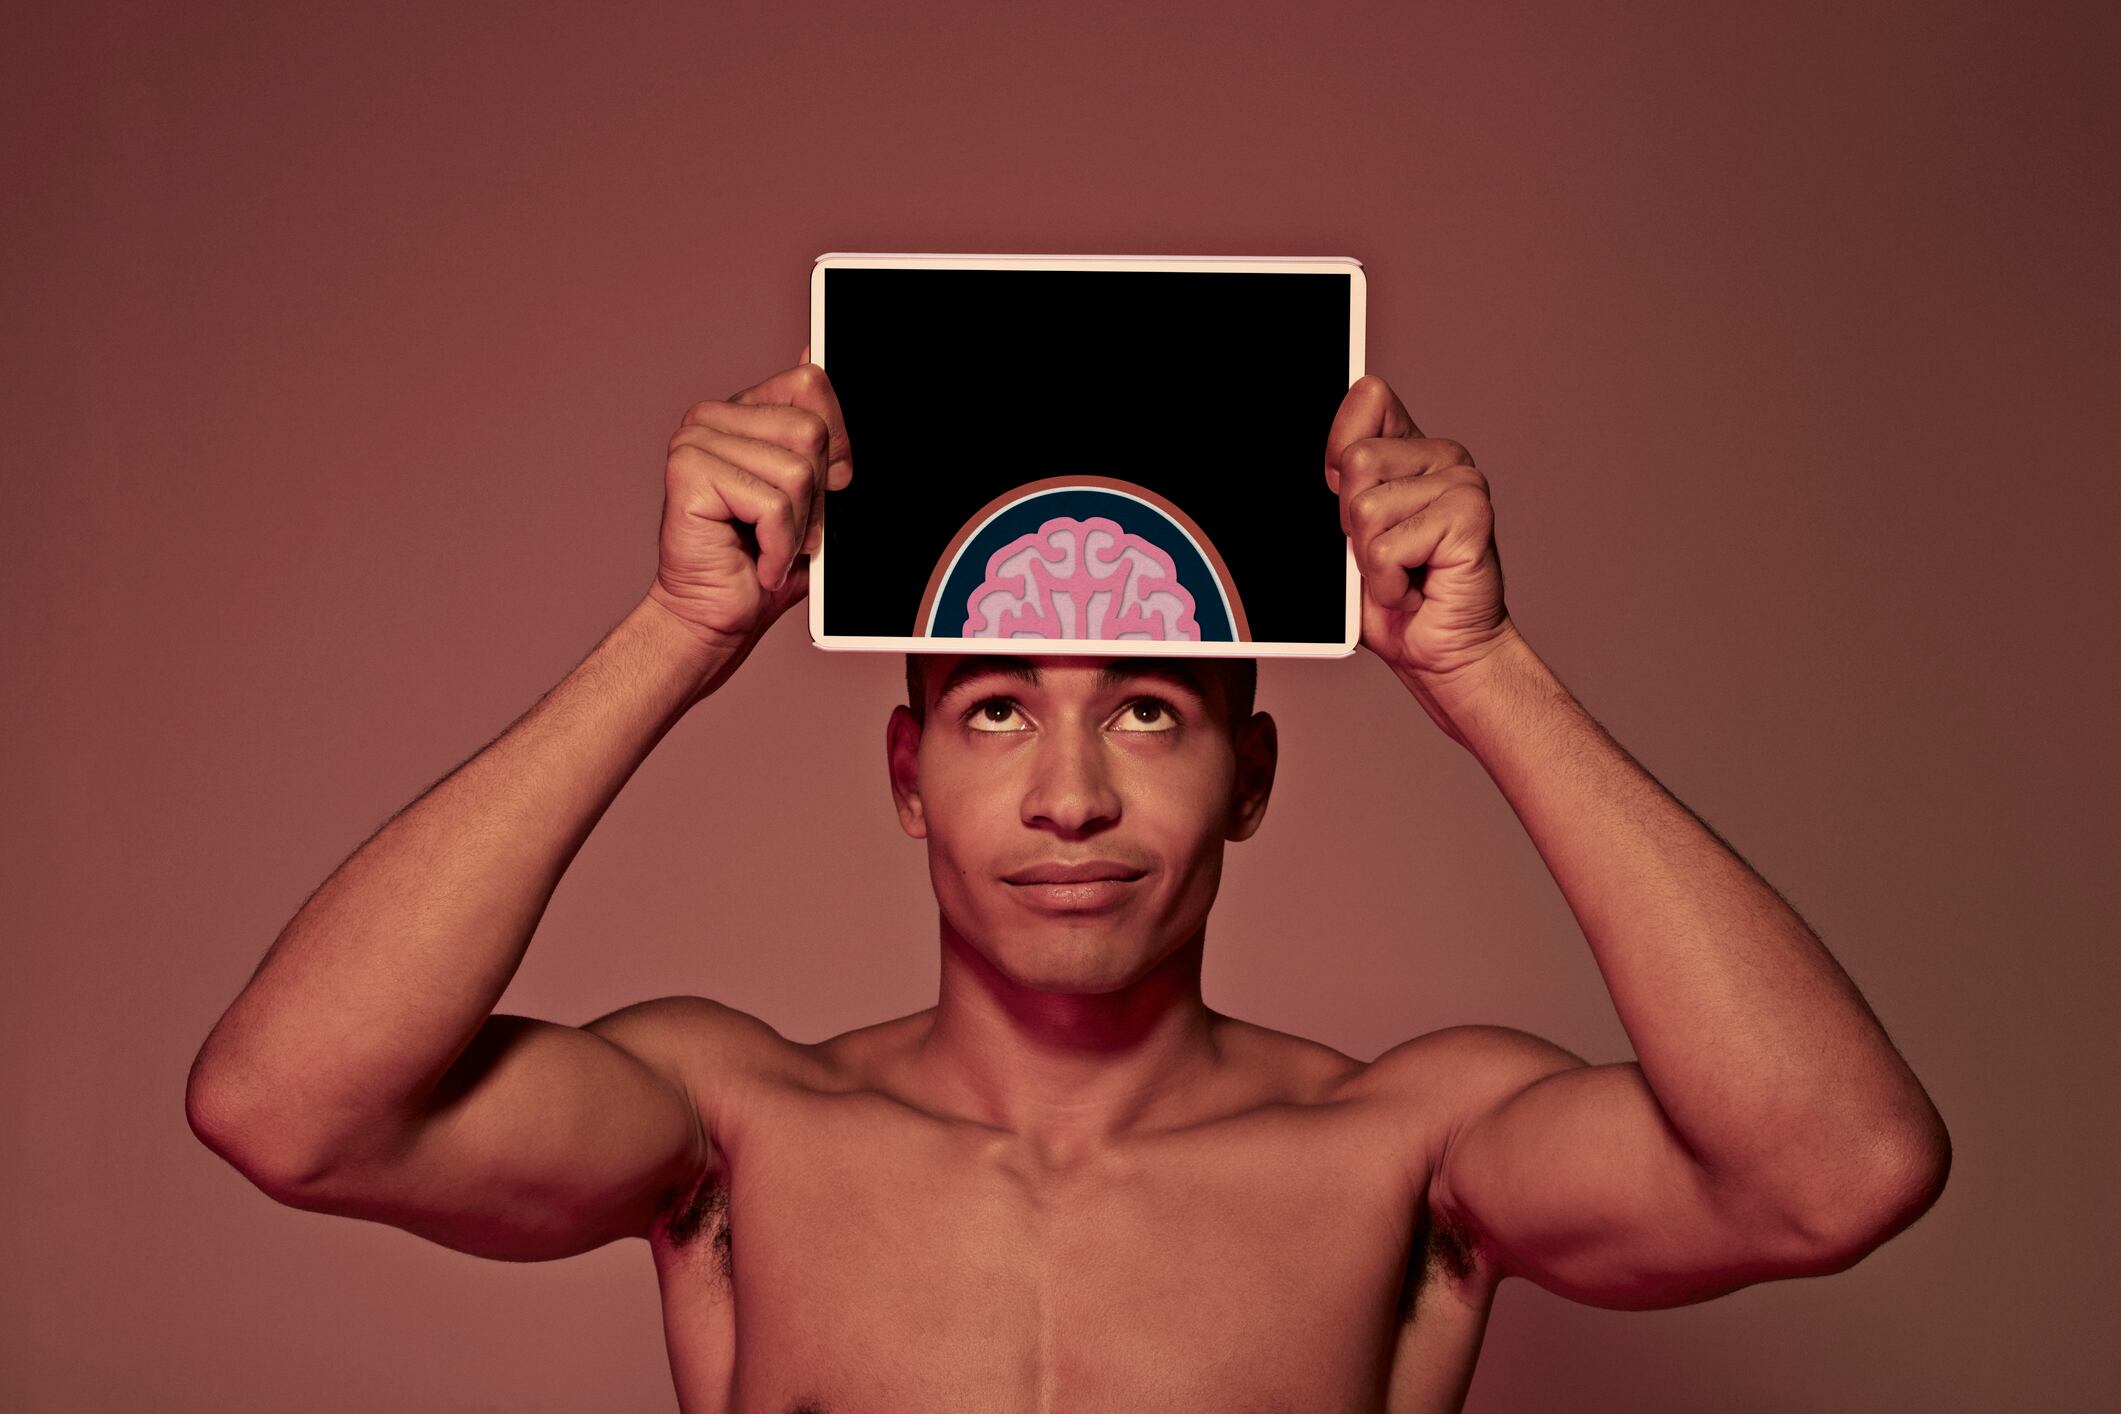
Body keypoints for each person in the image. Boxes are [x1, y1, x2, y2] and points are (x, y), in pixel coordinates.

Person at [186, 350, 1950, 1414]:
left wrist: (1483, 677)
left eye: (1156, 712)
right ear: (906, 774)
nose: (1070, 795)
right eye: (999, 708)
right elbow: (289, 1106)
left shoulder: (1407, 1156)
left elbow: (1836, 1170)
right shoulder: (736, 1133)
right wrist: (679, 630)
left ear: (1249, 777)